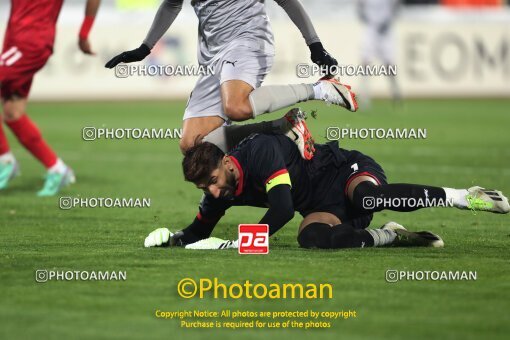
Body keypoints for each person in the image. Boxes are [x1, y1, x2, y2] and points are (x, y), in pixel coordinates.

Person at [144, 128, 509, 249]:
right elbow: (199, 231)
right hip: (321, 204)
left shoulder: (259, 150)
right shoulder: (219, 188)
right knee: (315, 239)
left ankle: (464, 197)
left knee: (368, 197)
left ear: (225, 163)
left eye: (211, 181)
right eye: (203, 187)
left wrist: (243, 244)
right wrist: (173, 239)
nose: (212, 192)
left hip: (344, 171)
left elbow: (283, 209)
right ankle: (394, 237)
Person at [105, 0, 358, 157]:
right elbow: (172, 4)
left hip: (248, 40)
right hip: (211, 56)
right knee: (193, 145)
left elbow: (286, 1)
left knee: (236, 107)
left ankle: (320, 89)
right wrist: (145, 47)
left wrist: (315, 45)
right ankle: (284, 128)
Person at [0, 0, 101, 196]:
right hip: (14, 38)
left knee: (12, 109)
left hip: (31, 41)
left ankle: (4, 160)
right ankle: (56, 169)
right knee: (13, 111)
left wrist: (84, 33)